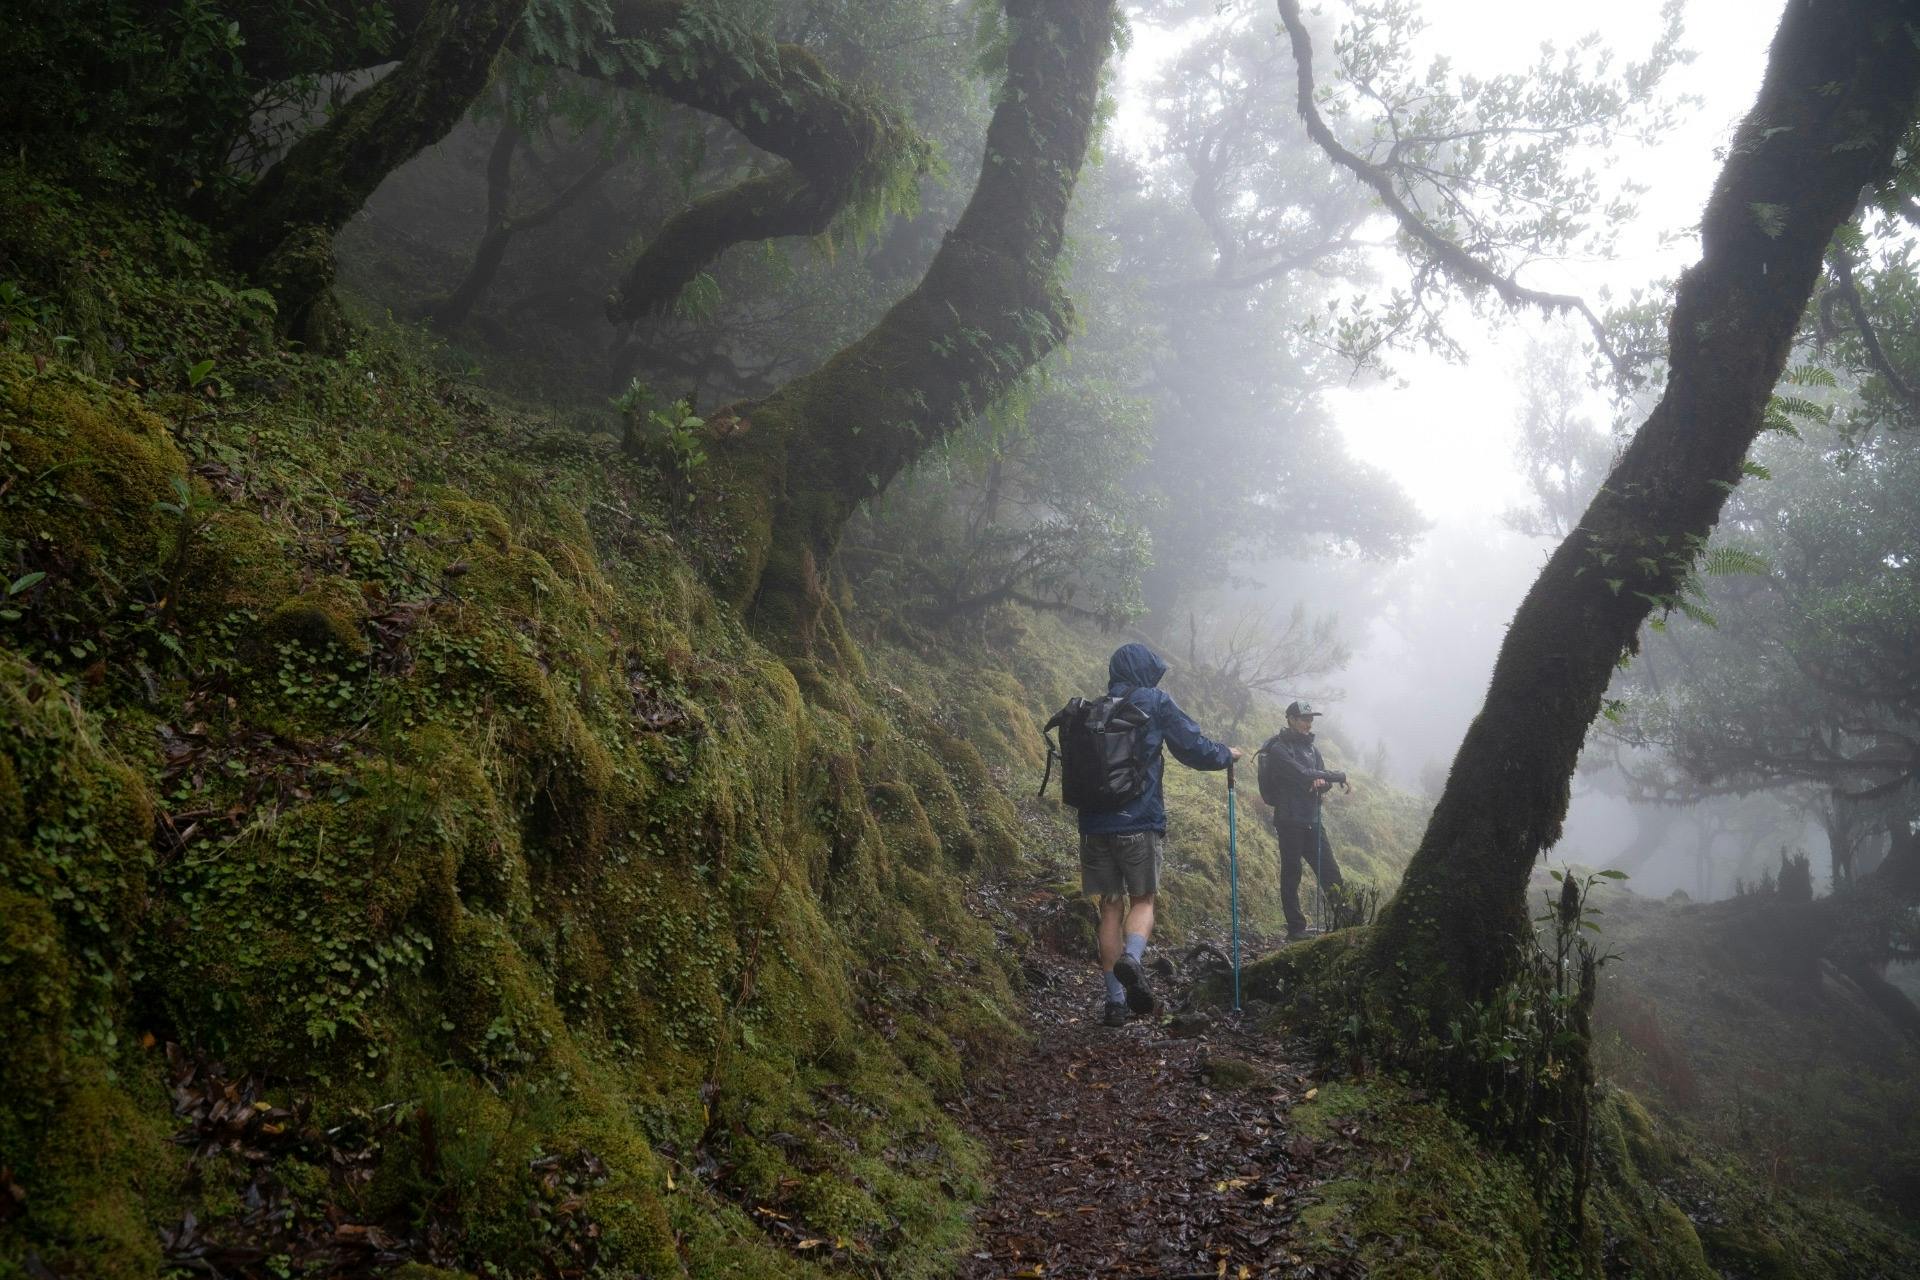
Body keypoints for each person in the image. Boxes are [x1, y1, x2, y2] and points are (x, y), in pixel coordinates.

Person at [1080, 642, 1241, 1027]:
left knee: (1110, 905)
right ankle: (1132, 960)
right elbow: (1192, 747)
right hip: (1138, 822)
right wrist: (1226, 754)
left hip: (1095, 826)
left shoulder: (1094, 708)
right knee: (1144, 900)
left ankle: (1114, 1004)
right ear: (1145, 671)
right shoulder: (1154, 701)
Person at [1264, 700, 1350, 941]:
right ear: (1290, 718)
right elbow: (1302, 774)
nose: (1308, 723)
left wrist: (1324, 784)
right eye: (1304, 718)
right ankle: (1296, 928)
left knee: (1330, 871)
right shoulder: (1279, 749)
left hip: (1312, 819)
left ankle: (1346, 919)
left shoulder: (1313, 750)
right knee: (1292, 873)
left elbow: (1319, 781)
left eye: (1311, 719)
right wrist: (1335, 776)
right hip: (1289, 820)